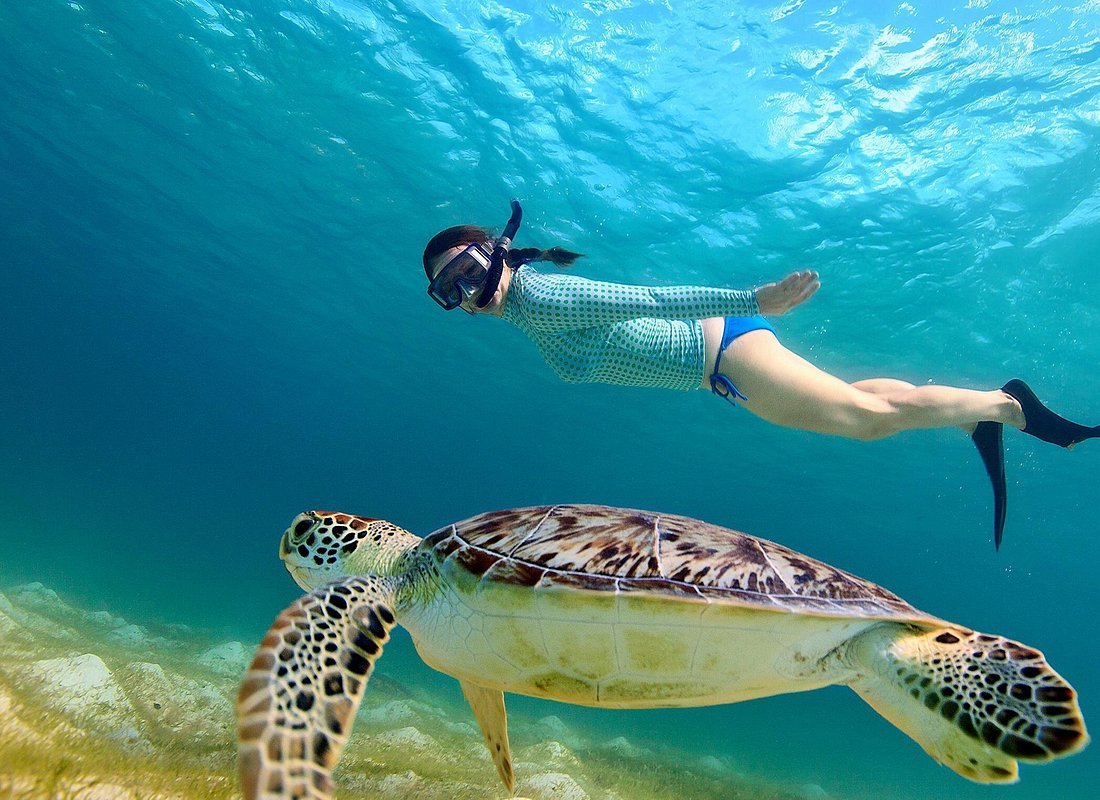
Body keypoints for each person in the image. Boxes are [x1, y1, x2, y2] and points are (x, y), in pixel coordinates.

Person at [423, 201, 1099, 547]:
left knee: (864, 424)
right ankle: (983, 409)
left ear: (497, 254)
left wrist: (754, 301)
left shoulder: (544, 296)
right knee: (861, 401)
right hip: (720, 362)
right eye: (449, 290)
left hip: (721, 352)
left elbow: (649, 299)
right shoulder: (528, 313)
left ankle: (1008, 408)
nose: (466, 291)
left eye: (467, 271)